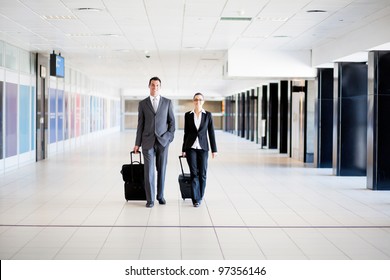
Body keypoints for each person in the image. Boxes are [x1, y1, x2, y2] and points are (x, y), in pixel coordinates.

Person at [134, 77, 175, 208]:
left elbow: (172, 123)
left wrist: (169, 137)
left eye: (157, 85)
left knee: (161, 170)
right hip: (147, 141)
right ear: (149, 86)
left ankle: (160, 196)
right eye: (153, 85)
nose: (155, 87)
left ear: (160, 87)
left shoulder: (167, 102)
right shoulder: (143, 104)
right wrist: (137, 143)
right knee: (149, 171)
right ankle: (150, 199)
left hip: (163, 142)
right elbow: (140, 124)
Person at [182, 93, 217, 207]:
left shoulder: (208, 115)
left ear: (203, 101)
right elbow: (186, 133)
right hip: (190, 147)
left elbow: (211, 132)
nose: (198, 101)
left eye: (200, 99)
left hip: (203, 148)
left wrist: (214, 149)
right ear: (193, 101)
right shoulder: (188, 115)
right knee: (194, 173)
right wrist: (183, 149)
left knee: (202, 173)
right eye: (196, 99)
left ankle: (200, 195)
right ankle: (195, 198)